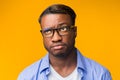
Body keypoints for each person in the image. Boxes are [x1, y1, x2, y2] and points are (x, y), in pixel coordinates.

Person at [17, 4, 112, 80]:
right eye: (48, 31)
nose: (56, 38)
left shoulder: (100, 75)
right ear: (42, 35)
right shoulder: (27, 77)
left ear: (74, 31)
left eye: (63, 28)